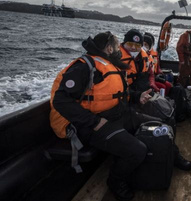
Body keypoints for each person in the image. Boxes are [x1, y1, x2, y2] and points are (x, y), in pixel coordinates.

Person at [50, 31, 152, 201]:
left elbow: (115, 93)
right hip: (88, 124)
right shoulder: (85, 66)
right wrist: (93, 121)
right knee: (137, 150)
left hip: (113, 115)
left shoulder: (110, 65)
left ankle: (169, 155)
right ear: (110, 48)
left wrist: (136, 96)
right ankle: (115, 181)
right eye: (118, 45)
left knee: (157, 125)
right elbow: (61, 101)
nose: (120, 49)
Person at [120, 29, 191, 171]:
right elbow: (115, 88)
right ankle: (172, 156)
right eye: (130, 45)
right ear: (123, 44)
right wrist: (137, 95)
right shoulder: (116, 59)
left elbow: (149, 74)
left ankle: (170, 154)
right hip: (126, 103)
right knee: (164, 122)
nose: (134, 49)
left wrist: (151, 87)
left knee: (170, 113)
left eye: (137, 45)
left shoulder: (143, 57)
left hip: (142, 97)